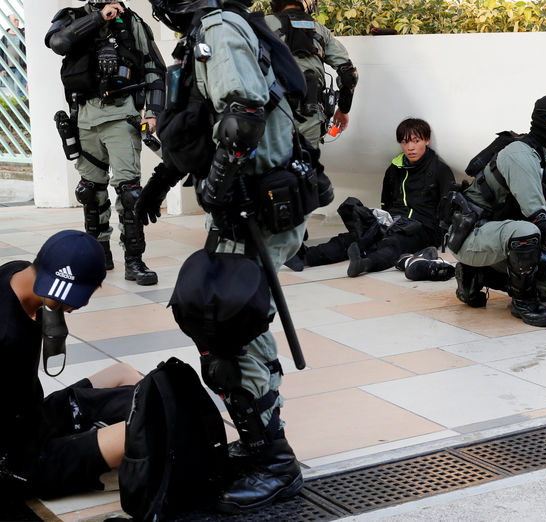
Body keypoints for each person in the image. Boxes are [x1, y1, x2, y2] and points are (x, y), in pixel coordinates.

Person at [139, 0, 307, 512]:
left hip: (256, 209)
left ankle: (276, 464)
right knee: (232, 328)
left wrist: (216, 184)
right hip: (242, 207)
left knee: (232, 334)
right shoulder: (208, 30)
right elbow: (200, 125)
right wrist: (162, 182)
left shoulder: (218, 27)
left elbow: (242, 115)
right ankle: (260, 443)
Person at [0, 230, 140, 503]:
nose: (80, 304)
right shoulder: (6, 336)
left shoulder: (17, 273)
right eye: (73, 297)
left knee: (123, 373)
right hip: (19, 459)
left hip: (33, 416)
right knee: (147, 425)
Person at [448, 94, 546, 327]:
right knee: (528, 231)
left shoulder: (544, 159)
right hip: (472, 235)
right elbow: (539, 218)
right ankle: (523, 303)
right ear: (542, 118)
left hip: (500, 234)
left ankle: (476, 274)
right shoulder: (519, 154)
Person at [45, 0, 166, 285]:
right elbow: (59, 43)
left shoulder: (131, 21)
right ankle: (98, 256)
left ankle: (134, 261)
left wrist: (152, 113)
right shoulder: (71, 18)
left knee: (129, 192)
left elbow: (154, 68)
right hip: (84, 117)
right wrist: (99, 18)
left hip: (121, 114)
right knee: (90, 191)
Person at [288, 118, 456, 280]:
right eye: (405, 142)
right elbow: (387, 201)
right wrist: (382, 223)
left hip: (423, 228)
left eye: (416, 141)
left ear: (426, 140)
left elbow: (448, 208)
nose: (410, 147)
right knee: (354, 236)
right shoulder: (394, 169)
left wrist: (440, 235)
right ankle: (306, 257)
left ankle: (364, 264)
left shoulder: (439, 170)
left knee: (392, 243)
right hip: (395, 221)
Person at [265, 0, 357, 148]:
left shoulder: (263, 24)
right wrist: (343, 109)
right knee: (306, 166)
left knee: (270, 167)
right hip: (310, 114)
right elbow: (349, 74)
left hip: (272, 112)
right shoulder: (321, 30)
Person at [0, 14, 26, 99]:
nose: (17, 21)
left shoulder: (23, 35)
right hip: (8, 69)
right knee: (13, 90)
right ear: (9, 22)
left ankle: (24, 106)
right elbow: (1, 54)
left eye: (17, 19)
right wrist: (2, 68)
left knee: (18, 88)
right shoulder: (4, 37)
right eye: (15, 20)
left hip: (20, 67)